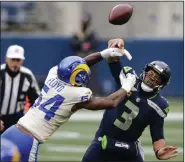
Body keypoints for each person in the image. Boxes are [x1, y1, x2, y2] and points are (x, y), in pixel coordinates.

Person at [1, 45, 136, 162]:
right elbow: (111, 102)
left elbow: (80, 62)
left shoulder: (53, 74)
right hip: (29, 139)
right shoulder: (75, 94)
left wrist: (104, 53)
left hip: (13, 130)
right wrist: (127, 85)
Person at [82, 39, 178, 162]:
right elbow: (113, 61)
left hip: (129, 149)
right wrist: (116, 45)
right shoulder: (129, 79)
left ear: (162, 84)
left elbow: (157, 133)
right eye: (151, 73)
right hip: (103, 140)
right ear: (145, 70)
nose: (152, 77)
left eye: (157, 77)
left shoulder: (160, 105)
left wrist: (159, 151)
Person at [0, 45, 40, 133]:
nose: (15, 63)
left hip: (17, 119)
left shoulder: (27, 75)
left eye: (17, 60)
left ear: (22, 60)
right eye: (12, 59)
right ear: (6, 59)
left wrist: (29, 118)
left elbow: (37, 100)